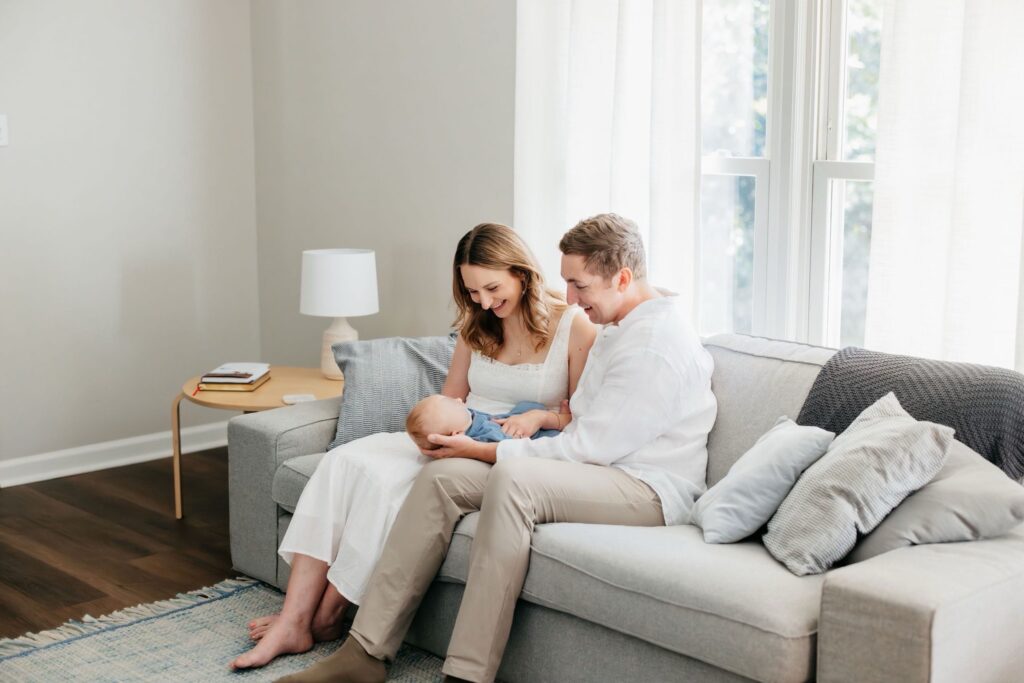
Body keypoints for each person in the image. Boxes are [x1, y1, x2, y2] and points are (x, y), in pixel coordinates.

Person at [278, 213, 718, 683]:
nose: (569, 297)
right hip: (599, 465)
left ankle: (467, 674)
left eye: (579, 285)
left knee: (512, 481)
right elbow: (577, 421)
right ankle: (365, 652)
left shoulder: (651, 346)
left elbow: (587, 449)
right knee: (441, 479)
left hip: (645, 486)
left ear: (623, 278)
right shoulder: (619, 323)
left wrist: (486, 451)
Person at [229, 223, 595, 670]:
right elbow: (450, 398)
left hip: (508, 450)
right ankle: (294, 618)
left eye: (492, 287)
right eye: (472, 290)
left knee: (389, 491)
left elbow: (577, 420)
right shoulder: (476, 324)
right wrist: (437, 434)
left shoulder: (575, 327)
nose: (482, 301)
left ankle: (325, 618)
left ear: (522, 273)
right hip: (457, 431)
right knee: (344, 462)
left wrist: (534, 418)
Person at [405, 395, 569, 451]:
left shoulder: (466, 419)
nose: (458, 399)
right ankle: (563, 424)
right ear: (456, 434)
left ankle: (559, 420)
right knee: (545, 433)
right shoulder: (482, 436)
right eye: (454, 405)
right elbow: (505, 447)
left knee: (527, 407)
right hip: (523, 436)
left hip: (508, 418)